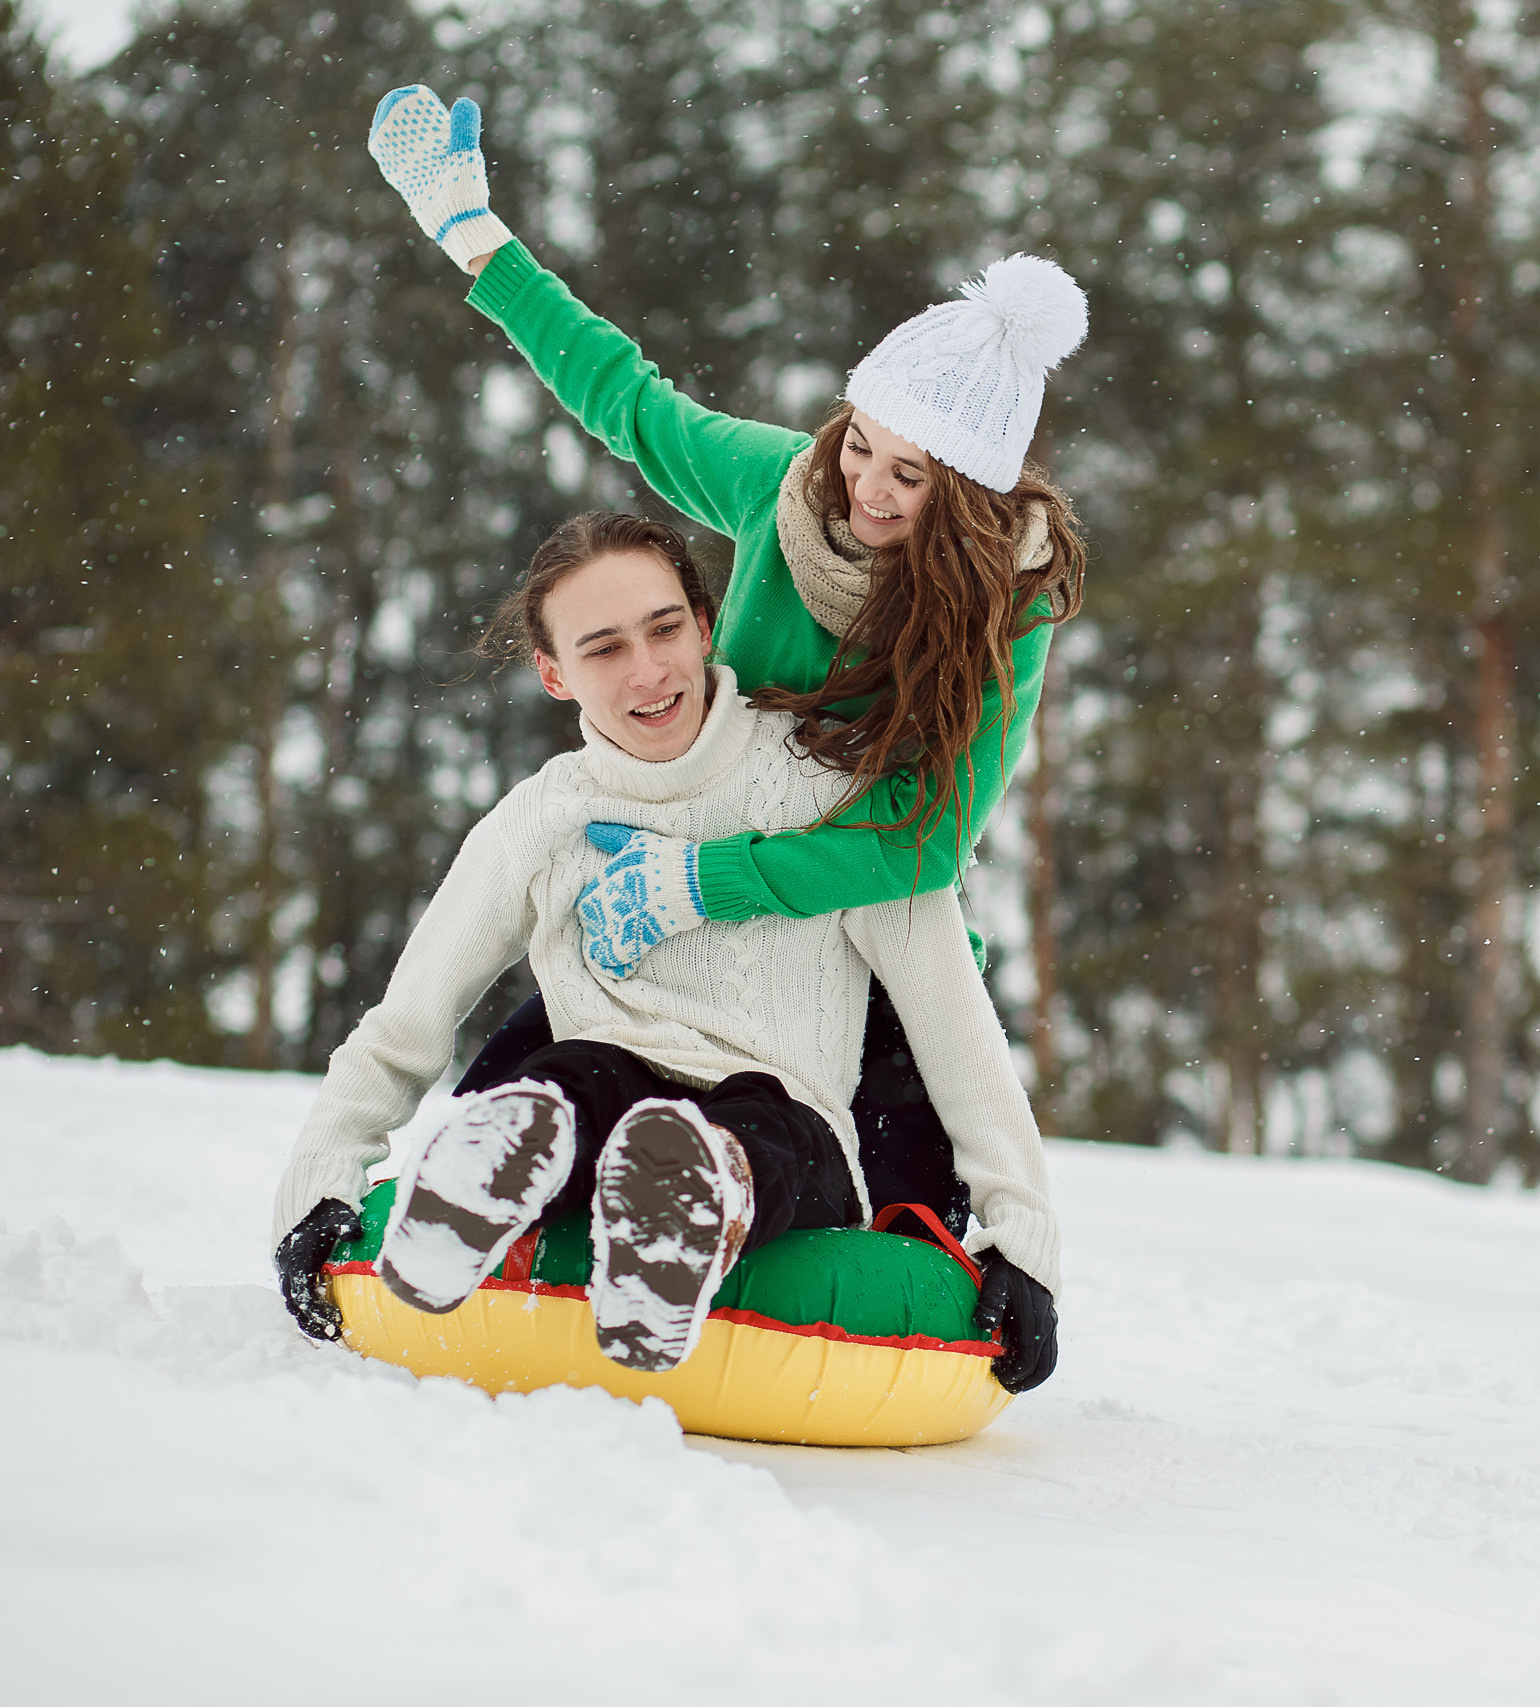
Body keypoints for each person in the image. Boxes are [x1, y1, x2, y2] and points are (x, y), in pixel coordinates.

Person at [361, 83, 1086, 1284]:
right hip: (675, 851)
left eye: (913, 477)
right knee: (528, 1075)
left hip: (845, 897)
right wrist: (471, 234)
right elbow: (628, 400)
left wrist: (720, 881)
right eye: (862, 443)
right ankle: (505, 1204)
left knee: (886, 1159)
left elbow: (922, 843)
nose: (868, 487)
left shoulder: (1005, 609)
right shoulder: (781, 490)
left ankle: (836, 1243)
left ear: (970, 497)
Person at [271, 514, 1061, 1386]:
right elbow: (404, 1024)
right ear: (553, 673)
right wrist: (319, 1183)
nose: (647, 672)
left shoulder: (831, 794)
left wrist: (1021, 1240)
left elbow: (957, 1034)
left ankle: (690, 1194)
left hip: (790, 1125)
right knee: (574, 1075)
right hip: (602, 1094)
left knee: (757, 1120)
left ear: (705, 622)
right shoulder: (541, 820)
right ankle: (494, 1167)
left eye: (663, 628)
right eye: (603, 649)